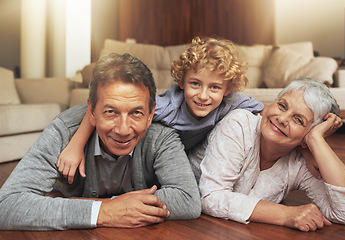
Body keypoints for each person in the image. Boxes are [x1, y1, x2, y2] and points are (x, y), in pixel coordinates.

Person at [0, 53, 201, 231]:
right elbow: (7, 205)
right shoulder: (65, 130)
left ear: (150, 114)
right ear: (92, 111)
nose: (123, 130)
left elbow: (188, 200)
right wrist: (104, 211)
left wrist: (108, 204)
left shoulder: (161, 135)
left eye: (136, 113)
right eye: (111, 112)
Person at [57, 36, 265, 184]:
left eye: (214, 87)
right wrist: (76, 145)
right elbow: (100, 109)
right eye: (195, 84)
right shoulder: (167, 107)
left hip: (185, 161)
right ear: (181, 82)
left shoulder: (230, 102)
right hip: (141, 157)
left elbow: (266, 112)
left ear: (227, 89)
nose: (203, 95)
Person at [188, 78, 345, 232]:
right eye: (282, 106)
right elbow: (211, 198)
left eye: (298, 119)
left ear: (306, 139)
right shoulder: (239, 123)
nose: (282, 119)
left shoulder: (300, 162)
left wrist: (316, 140)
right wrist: (286, 214)